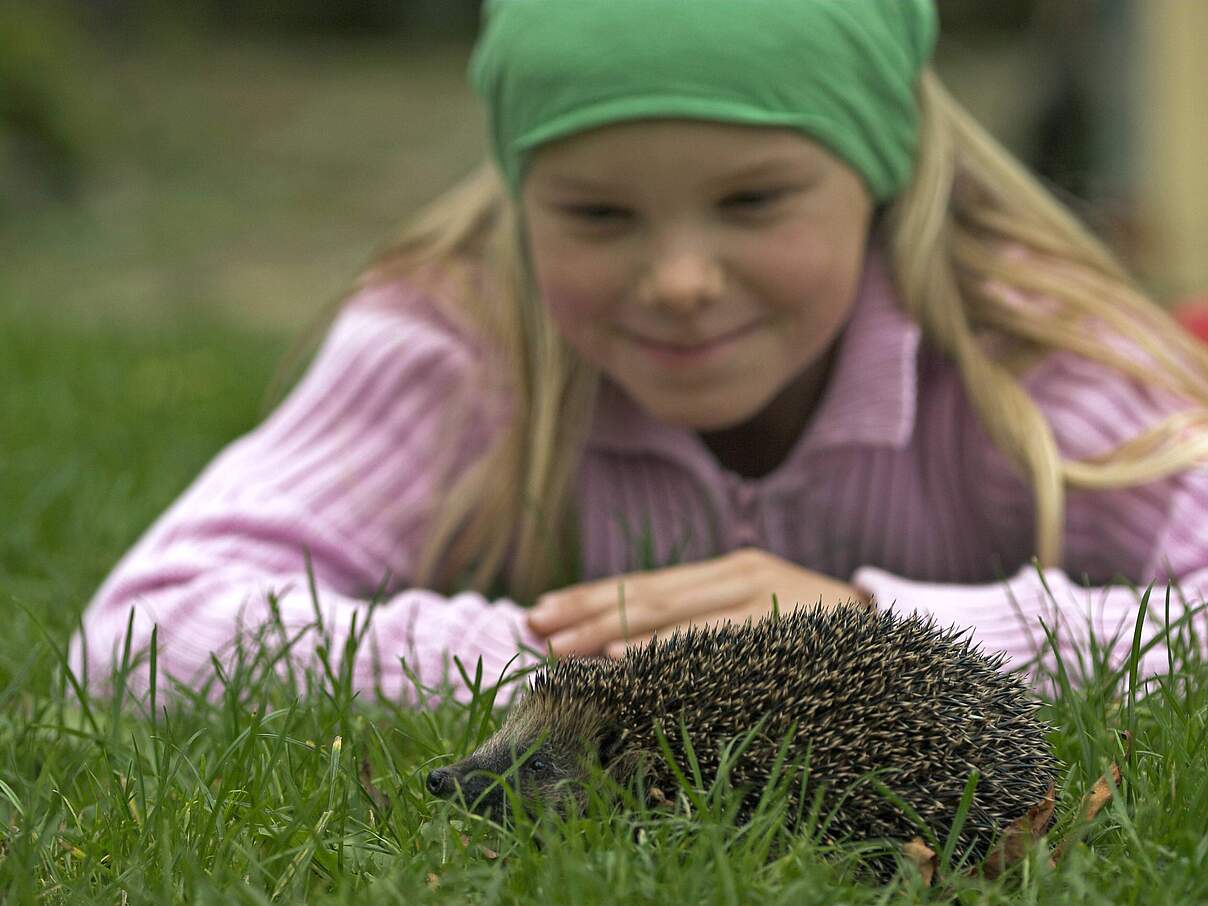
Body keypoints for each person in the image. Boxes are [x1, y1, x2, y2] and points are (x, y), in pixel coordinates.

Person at [71, 0, 1208, 702]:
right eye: (597, 216)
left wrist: (878, 639)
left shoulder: (1021, 347)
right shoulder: (461, 342)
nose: (676, 281)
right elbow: (142, 633)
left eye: (753, 200)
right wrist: (592, 661)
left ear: (881, 173)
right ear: (522, 204)